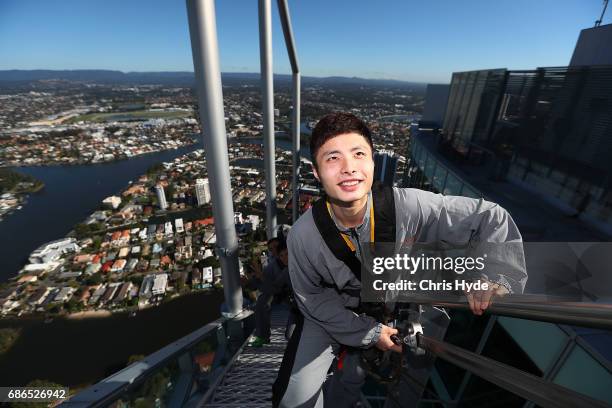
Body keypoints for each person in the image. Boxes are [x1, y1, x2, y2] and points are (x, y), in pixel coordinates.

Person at [272, 112, 527, 407]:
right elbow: (312, 300)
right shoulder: (304, 236)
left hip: (388, 303)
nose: (348, 168)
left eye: (358, 154)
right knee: (293, 396)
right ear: (316, 173)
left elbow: (490, 217)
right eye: (333, 158)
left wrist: (496, 274)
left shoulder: (406, 206)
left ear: (372, 162)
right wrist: (368, 332)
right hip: (332, 311)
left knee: (355, 374)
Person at [251, 240, 290, 347]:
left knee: (263, 299)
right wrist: (254, 278)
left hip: (300, 299)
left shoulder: (294, 265)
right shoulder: (276, 265)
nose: (275, 251)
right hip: (285, 295)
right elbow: (273, 285)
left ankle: (262, 336)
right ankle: (262, 336)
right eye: (272, 249)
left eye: (276, 247)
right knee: (262, 301)